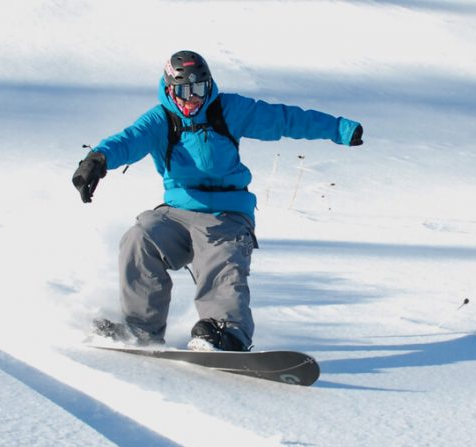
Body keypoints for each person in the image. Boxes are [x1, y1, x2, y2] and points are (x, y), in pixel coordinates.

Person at [72, 50, 363, 351]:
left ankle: (227, 332)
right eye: (184, 91)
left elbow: (284, 118)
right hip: (177, 213)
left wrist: (339, 128)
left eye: (199, 89)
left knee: (222, 260)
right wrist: (97, 159)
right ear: (169, 89)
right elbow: (128, 139)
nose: (192, 99)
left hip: (227, 213)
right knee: (140, 237)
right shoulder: (160, 119)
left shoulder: (228, 110)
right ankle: (142, 331)